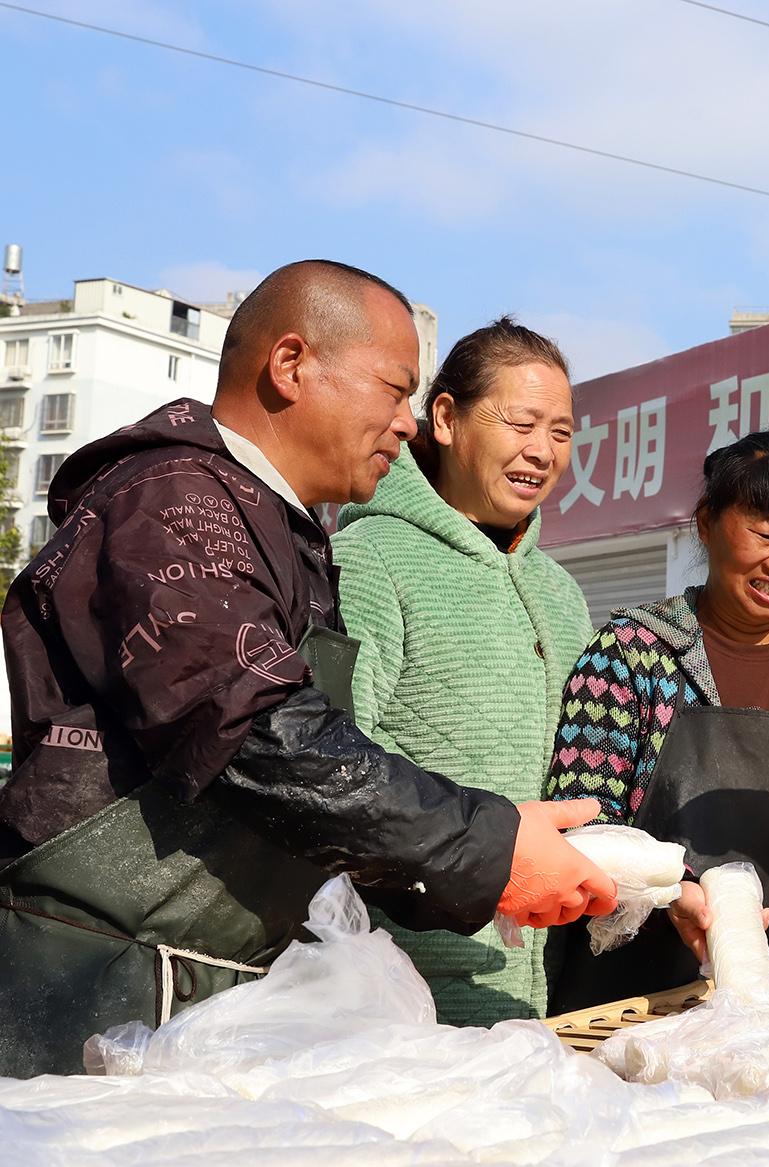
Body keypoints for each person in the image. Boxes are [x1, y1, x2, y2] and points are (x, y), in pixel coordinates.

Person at [0, 260, 615, 1077]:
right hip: (98, 978)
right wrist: (489, 844)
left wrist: (494, 843)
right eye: (393, 391)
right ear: (290, 365)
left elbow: (324, 794)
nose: (405, 423)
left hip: (213, 991)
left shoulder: (283, 536)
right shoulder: (173, 503)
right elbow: (260, 732)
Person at [544, 431, 769, 1009]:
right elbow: (580, 822)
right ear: (706, 524)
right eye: (764, 533)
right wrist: (670, 893)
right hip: (636, 1002)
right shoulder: (631, 655)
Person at [331, 316, 595, 1025]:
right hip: (405, 990)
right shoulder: (371, 559)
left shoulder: (561, 592)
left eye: (561, 432)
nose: (542, 451)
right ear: (445, 419)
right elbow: (333, 769)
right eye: (522, 423)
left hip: (538, 988)